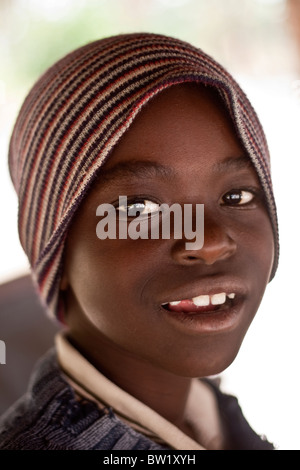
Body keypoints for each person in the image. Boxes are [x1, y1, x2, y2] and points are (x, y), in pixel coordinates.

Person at [0, 32, 279, 450]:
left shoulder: (208, 410)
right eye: (139, 209)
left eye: (235, 196)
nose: (209, 241)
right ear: (53, 247)